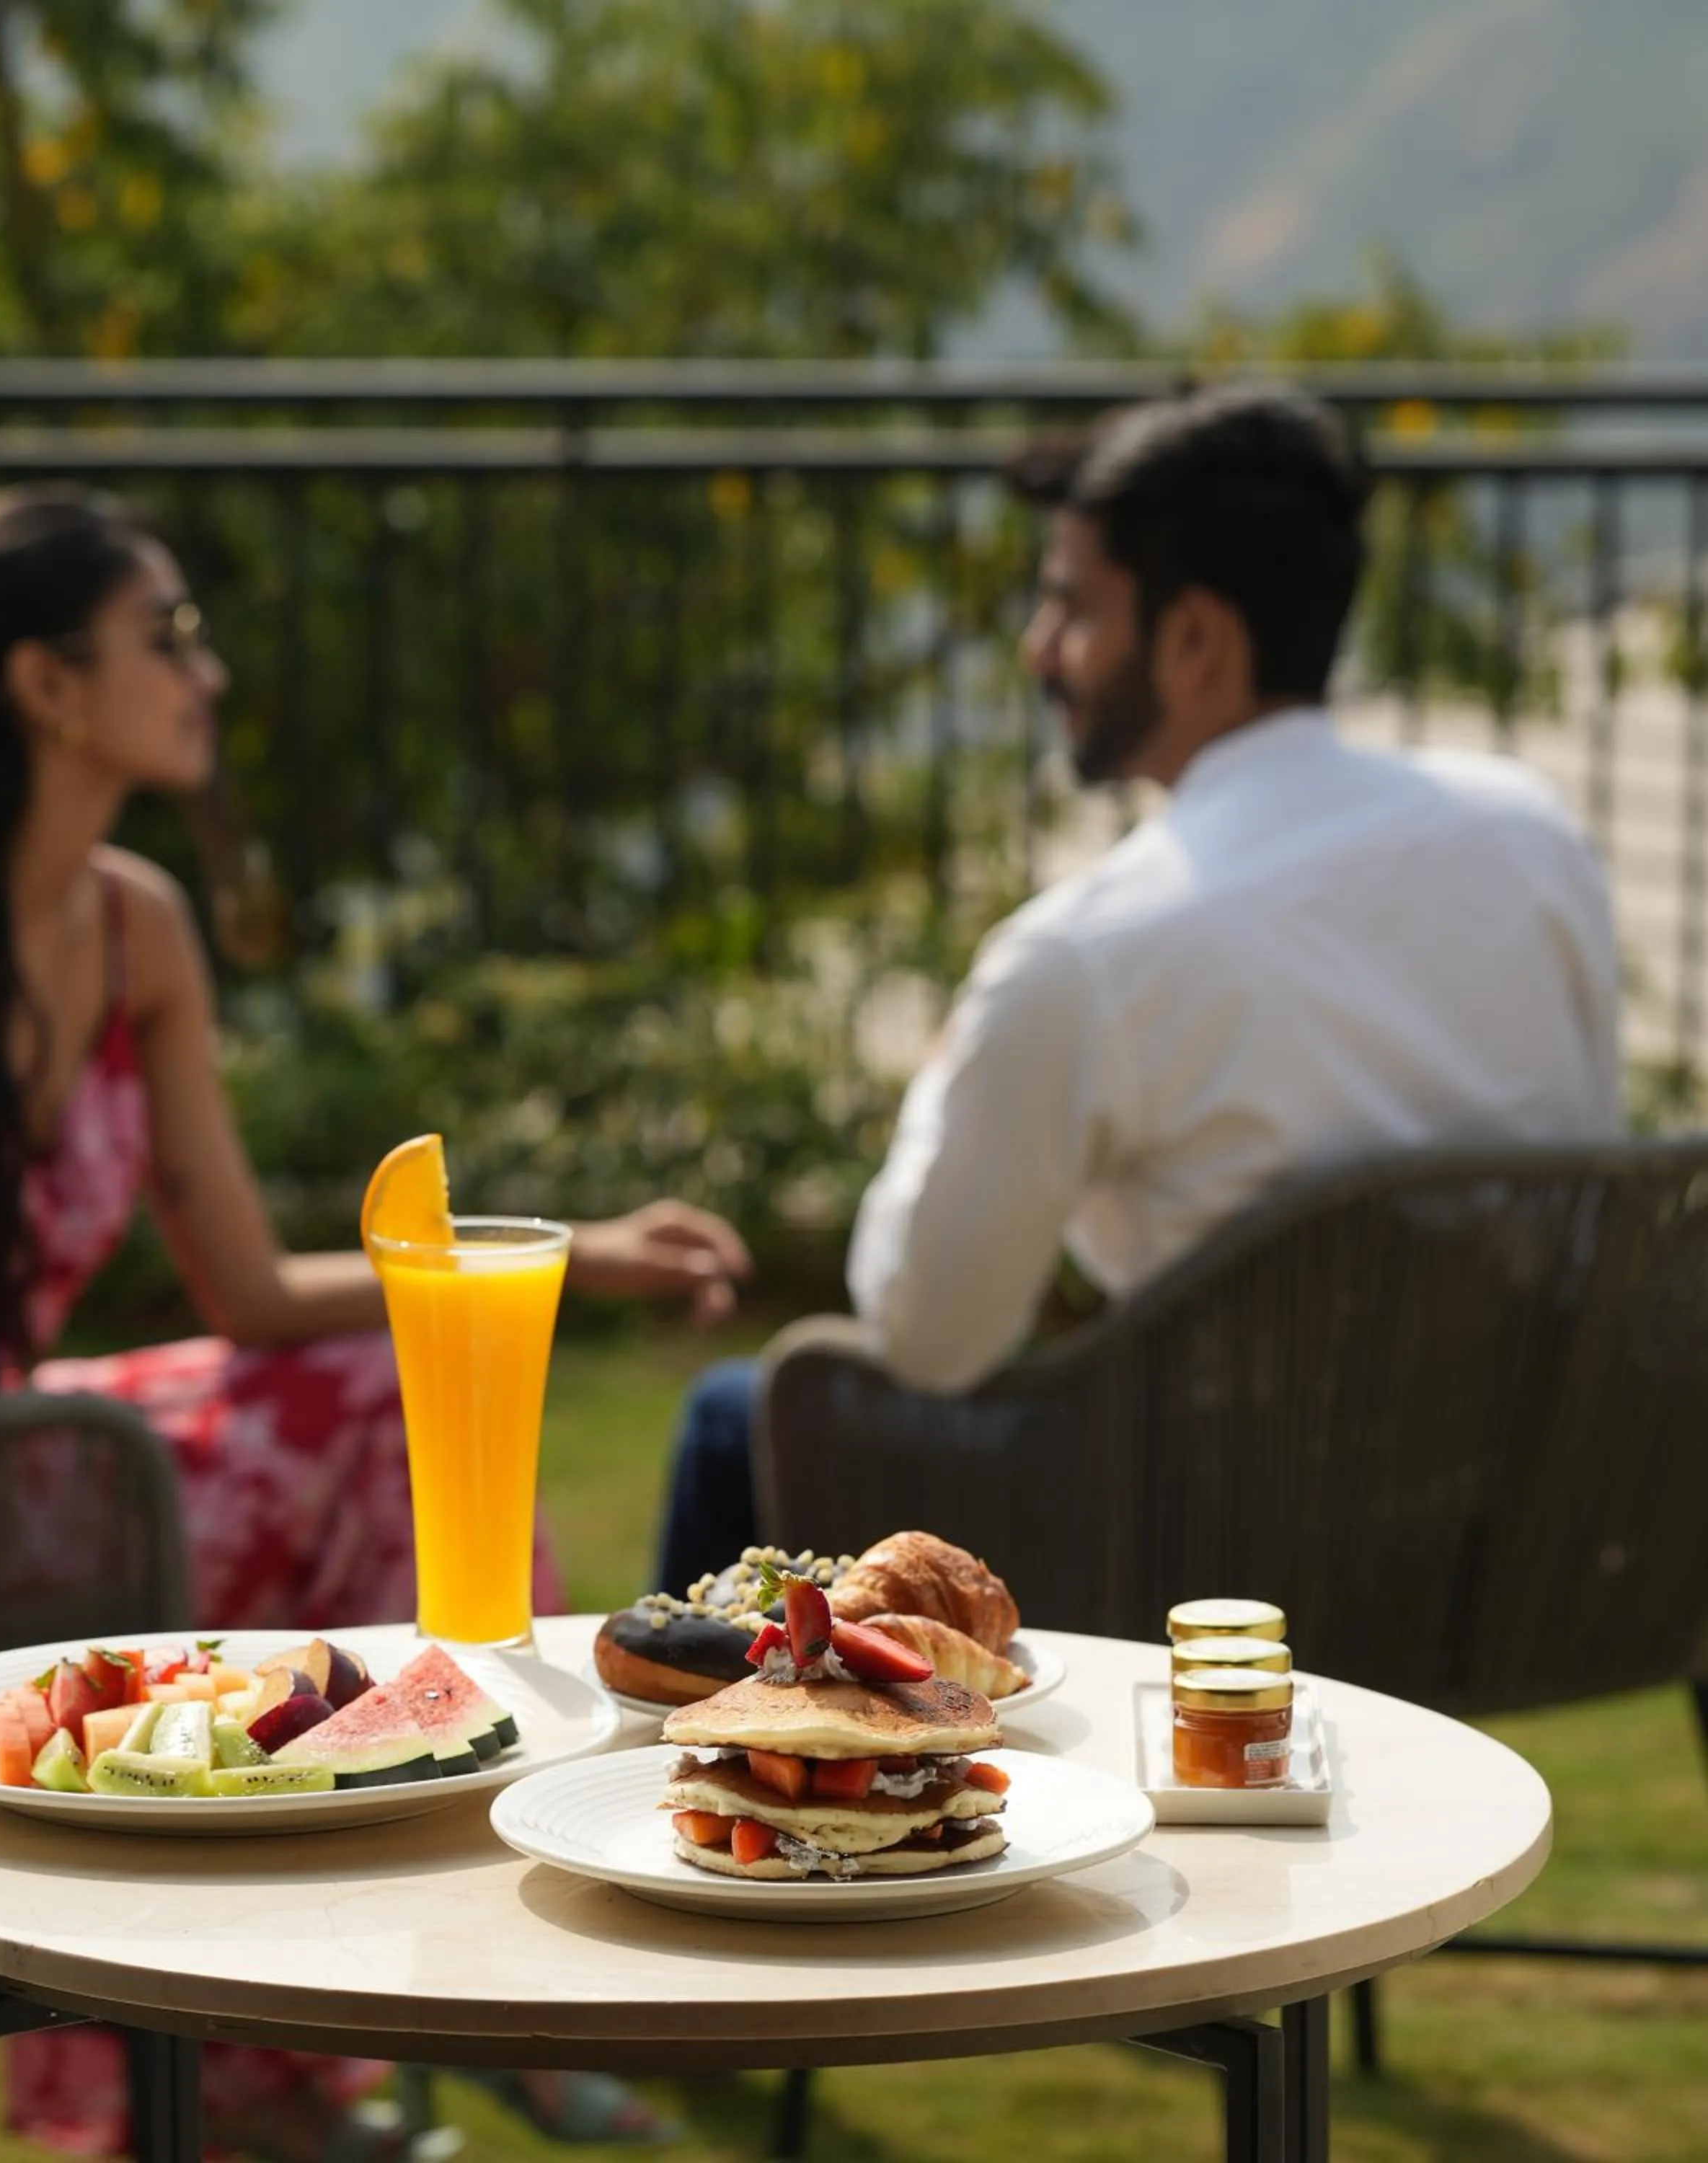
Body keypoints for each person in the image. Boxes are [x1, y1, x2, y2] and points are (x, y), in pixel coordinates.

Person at [0, 482, 745, 2159]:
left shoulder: (135, 925)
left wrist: (571, 1251)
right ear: (45, 685)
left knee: (362, 1385)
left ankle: (358, 2002)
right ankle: (247, 2056)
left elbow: (250, 1293)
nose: (206, 677)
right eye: (169, 640)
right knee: (240, 1479)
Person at [657, 383, 1623, 1593]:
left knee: (728, 1424)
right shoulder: (1533, 837)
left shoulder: (1085, 955)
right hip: (1512, 1533)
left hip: (1200, 1556)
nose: (1039, 647)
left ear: (1197, 639)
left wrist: (951, 1066)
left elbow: (929, 1337)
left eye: (1070, 605)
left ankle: (716, 1778)